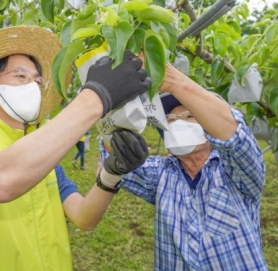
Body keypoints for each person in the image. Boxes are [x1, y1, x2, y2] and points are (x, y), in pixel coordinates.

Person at [0, 25, 151, 271]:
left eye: (37, 81)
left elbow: (83, 217)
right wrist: (96, 96)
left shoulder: (45, 165)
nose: (33, 86)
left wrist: (112, 173)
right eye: (20, 77)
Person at [99, 62, 267, 270]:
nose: (177, 123)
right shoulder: (162, 174)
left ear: (210, 127)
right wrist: (114, 106)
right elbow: (115, 155)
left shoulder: (234, 172)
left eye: (189, 116)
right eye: (170, 119)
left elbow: (236, 137)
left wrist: (174, 82)